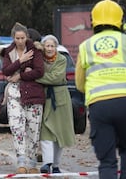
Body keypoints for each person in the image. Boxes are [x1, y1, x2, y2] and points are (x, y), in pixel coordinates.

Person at [76, 0, 126, 179]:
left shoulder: (86, 46)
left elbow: (80, 85)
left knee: (107, 162)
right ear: (121, 21)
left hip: (99, 107)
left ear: (93, 21)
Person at [1, 22, 45, 174]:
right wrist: (21, 61)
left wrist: (21, 75)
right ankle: (21, 161)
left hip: (33, 93)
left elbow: (39, 71)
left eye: (23, 38)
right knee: (16, 127)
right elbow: (6, 71)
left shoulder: (35, 50)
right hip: (14, 93)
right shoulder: (8, 52)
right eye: (17, 38)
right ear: (13, 38)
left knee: (33, 129)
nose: (20, 41)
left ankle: (32, 163)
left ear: (27, 37)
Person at [36, 34, 75, 174]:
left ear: (56, 47)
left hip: (60, 100)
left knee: (60, 133)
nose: (50, 48)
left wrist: (36, 77)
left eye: (52, 46)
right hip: (44, 98)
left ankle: (56, 165)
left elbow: (55, 77)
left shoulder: (62, 59)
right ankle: (47, 163)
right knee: (46, 132)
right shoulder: (39, 59)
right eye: (47, 45)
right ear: (43, 47)